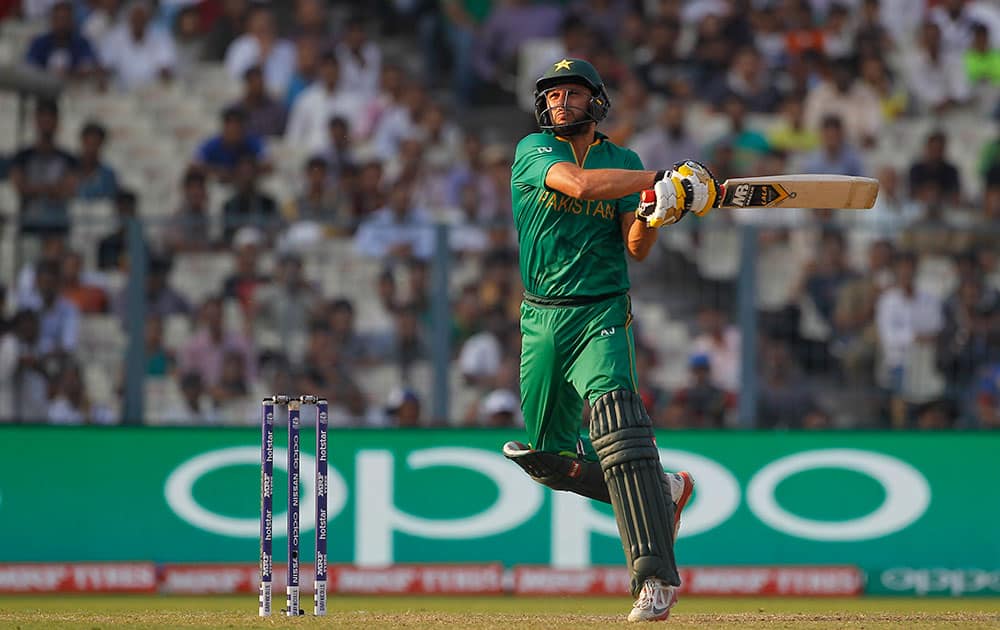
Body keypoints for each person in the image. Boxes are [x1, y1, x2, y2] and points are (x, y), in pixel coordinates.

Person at [501, 58, 717, 622]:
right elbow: (579, 186)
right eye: (552, 95)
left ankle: (655, 581)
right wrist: (662, 180)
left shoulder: (622, 160)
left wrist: (659, 211)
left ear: (596, 102)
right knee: (549, 461)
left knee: (617, 425)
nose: (560, 103)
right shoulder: (533, 150)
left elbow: (637, 246)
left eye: (572, 94)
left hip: (600, 310)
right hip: (542, 319)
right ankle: (661, 490)